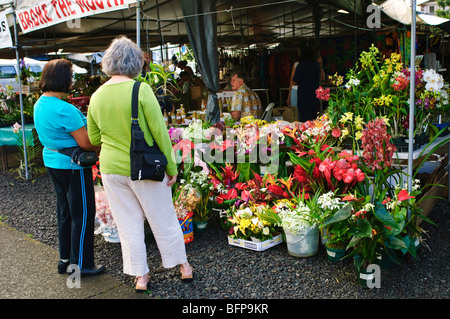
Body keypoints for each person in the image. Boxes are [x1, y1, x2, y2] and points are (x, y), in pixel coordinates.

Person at [87, 36, 193, 293]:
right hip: (144, 166)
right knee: (163, 217)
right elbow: (160, 132)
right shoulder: (141, 89)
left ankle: (141, 277)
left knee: (128, 224)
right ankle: (183, 266)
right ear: (136, 63)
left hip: (111, 169)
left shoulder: (97, 95)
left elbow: (93, 138)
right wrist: (171, 167)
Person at [33, 59, 105, 276]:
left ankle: (65, 259)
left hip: (53, 162)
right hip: (73, 166)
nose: (73, 80)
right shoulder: (66, 110)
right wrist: (102, 143)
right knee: (82, 214)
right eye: (71, 76)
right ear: (63, 79)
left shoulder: (40, 104)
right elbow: (86, 143)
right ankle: (82, 264)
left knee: (64, 211)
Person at [292, 44, 322, 122]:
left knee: (305, 121)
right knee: (314, 120)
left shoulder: (301, 65)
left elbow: (294, 81)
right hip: (314, 96)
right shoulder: (316, 65)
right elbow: (321, 77)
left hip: (304, 97)